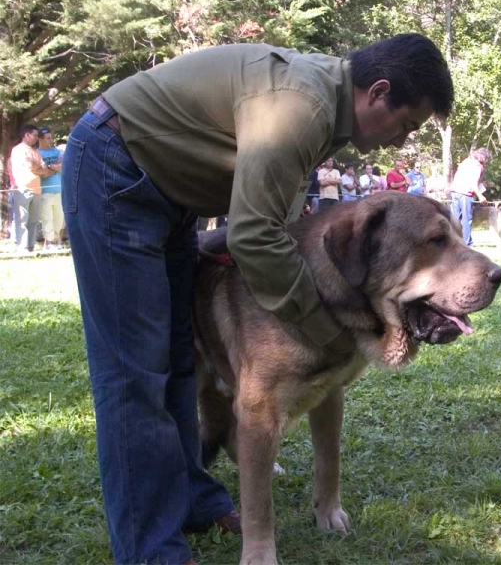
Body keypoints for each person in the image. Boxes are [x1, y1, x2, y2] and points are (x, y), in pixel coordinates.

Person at [61, 33, 453, 565]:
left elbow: (279, 225)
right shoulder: (305, 106)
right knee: (135, 374)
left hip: (169, 191)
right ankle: (150, 551)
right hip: (117, 167)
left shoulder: (328, 113)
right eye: (406, 125)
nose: (401, 142)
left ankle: (194, 502)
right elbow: (253, 235)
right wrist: (322, 330)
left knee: (176, 361)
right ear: (377, 93)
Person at [10, 124, 50, 253]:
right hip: (22, 189)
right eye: (35, 135)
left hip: (37, 189)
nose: (37, 138)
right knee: (22, 219)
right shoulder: (18, 150)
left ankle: (30, 246)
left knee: (33, 220)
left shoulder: (35, 152)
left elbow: (46, 170)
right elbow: (30, 165)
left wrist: (37, 167)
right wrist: (38, 167)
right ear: (26, 135)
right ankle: (22, 247)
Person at [450, 147, 491, 245]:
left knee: (454, 220)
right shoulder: (477, 166)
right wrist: (481, 196)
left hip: (455, 192)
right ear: (483, 157)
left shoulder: (466, 162)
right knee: (466, 220)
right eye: (486, 159)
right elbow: (473, 183)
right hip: (465, 195)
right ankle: (467, 244)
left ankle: (452, 243)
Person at [38, 128, 65, 250]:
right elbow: (42, 173)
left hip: (59, 189)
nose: (51, 140)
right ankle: (48, 243)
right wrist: (54, 167)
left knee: (59, 217)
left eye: (51, 137)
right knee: (47, 218)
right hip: (45, 190)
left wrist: (48, 167)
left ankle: (58, 242)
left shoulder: (57, 151)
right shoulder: (37, 153)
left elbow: (62, 166)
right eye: (48, 138)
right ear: (40, 139)